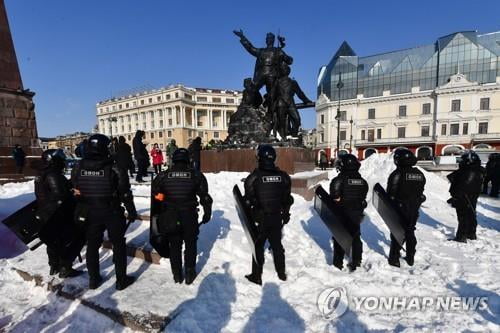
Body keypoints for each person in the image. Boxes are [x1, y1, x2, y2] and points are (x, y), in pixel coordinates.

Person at [71, 134, 138, 290]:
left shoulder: (78, 167)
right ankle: (121, 280)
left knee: (92, 245)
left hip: (89, 211)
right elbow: (125, 193)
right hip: (111, 211)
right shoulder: (114, 167)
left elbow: (76, 188)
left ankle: (93, 279)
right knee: (118, 244)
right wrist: (131, 211)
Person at [151, 148, 212, 284]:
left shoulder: (163, 175)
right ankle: (190, 273)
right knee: (190, 243)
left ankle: (177, 274)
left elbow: (156, 195)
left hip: (171, 215)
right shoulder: (196, 175)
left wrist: (164, 201)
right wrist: (207, 213)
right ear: (187, 159)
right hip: (189, 215)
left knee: (174, 245)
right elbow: (205, 197)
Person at [243, 145, 293, 285]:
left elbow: (247, 200)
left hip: (260, 218)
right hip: (276, 217)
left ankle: (256, 276)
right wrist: (286, 213)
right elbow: (287, 199)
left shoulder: (253, 178)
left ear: (259, 157)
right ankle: (281, 273)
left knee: (258, 246)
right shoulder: (283, 177)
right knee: (277, 245)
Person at [34, 149, 84, 278]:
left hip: (47, 213)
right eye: (60, 160)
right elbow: (60, 196)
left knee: (53, 241)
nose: (63, 163)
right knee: (74, 239)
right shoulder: (52, 175)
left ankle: (54, 265)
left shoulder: (41, 174)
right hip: (56, 214)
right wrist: (73, 194)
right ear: (54, 161)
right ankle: (65, 266)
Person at [387, 149, 426, 267]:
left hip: (400, 207)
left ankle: (394, 259)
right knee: (410, 231)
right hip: (414, 207)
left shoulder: (397, 174)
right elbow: (421, 190)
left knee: (397, 232)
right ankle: (410, 256)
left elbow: (391, 193)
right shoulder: (419, 173)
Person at [329, 154, 368, 271]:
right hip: (356, 214)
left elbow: (335, 197)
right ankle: (357, 261)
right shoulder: (362, 181)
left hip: (342, 213)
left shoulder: (338, 180)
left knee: (339, 237)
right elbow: (362, 197)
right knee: (356, 237)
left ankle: (338, 263)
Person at [447, 151, 486, 242]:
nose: (461, 162)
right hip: (472, 195)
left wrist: (455, 196)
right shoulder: (479, 170)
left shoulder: (467, 171)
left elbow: (461, 185)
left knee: (463, 216)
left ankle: (461, 236)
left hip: (463, 196)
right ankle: (471, 233)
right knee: (471, 214)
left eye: (463, 159)